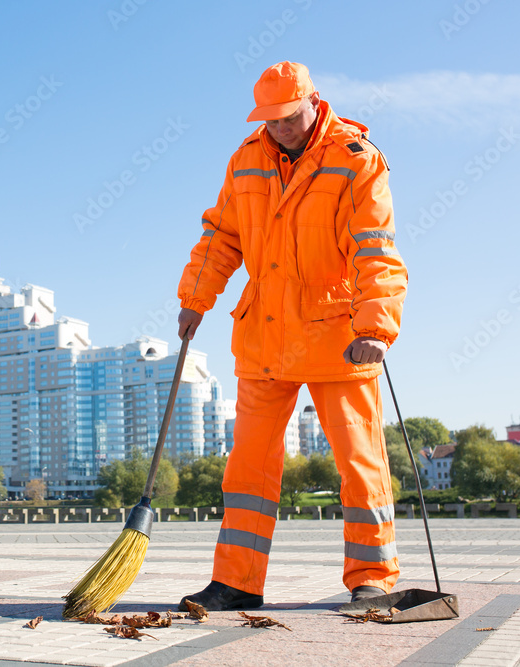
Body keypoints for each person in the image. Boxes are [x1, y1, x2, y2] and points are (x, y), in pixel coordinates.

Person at [176, 61, 408, 611]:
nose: (279, 127)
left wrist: (377, 326)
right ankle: (236, 581)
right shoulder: (246, 158)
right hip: (264, 335)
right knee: (248, 464)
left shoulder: (356, 159)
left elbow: (376, 250)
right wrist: (194, 299)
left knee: (359, 460)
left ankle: (370, 576)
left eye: (287, 117)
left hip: (338, 335)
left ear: (313, 101)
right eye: (270, 119)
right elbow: (220, 237)